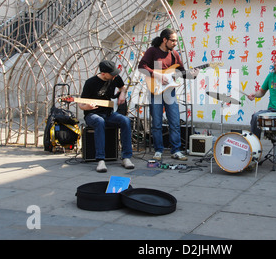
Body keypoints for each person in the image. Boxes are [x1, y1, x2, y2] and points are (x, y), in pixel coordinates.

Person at [138, 28, 198, 161]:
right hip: (156, 91)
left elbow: (182, 72)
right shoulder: (152, 51)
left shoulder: (175, 54)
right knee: (157, 123)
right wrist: (158, 75)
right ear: (164, 40)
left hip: (170, 92)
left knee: (175, 122)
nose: (175, 43)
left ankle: (176, 150)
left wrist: (193, 75)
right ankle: (158, 150)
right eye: (173, 40)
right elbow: (141, 66)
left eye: (176, 40)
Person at [79, 60, 134, 172]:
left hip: (108, 113)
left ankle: (126, 157)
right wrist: (87, 107)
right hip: (92, 115)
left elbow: (122, 87)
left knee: (125, 121)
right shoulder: (90, 83)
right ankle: (100, 160)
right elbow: (81, 104)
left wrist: (122, 94)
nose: (115, 75)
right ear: (103, 73)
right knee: (99, 121)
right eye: (112, 74)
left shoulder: (115, 78)